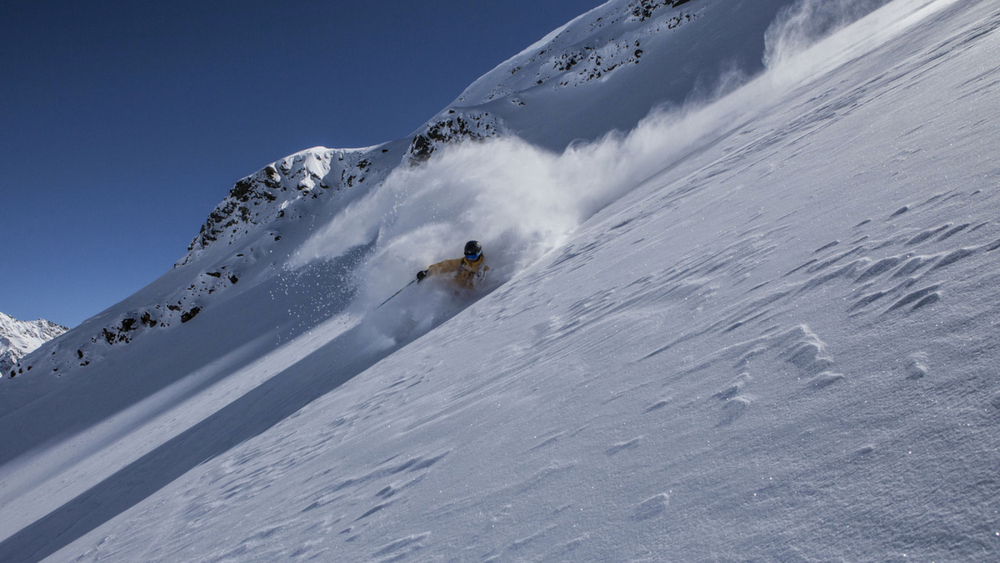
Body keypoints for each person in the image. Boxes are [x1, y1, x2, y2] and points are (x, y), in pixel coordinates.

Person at [416, 240, 489, 289]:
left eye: (473, 257)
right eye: (468, 256)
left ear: (479, 254)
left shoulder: (483, 267)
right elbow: (445, 266)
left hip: (470, 296)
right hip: (455, 289)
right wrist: (428, 272)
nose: (470, 259)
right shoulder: (463, 262)